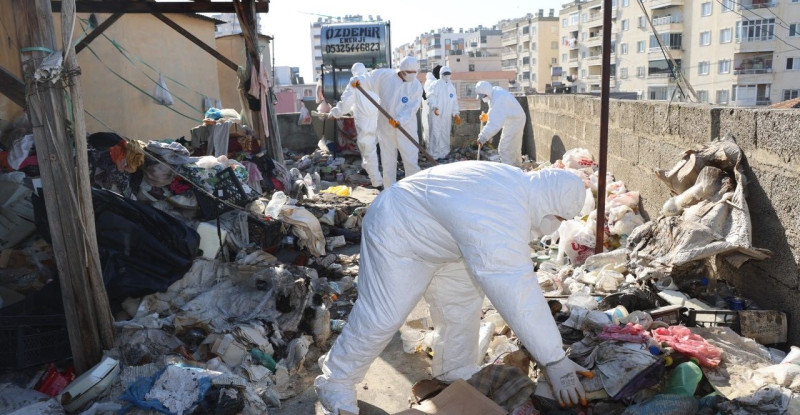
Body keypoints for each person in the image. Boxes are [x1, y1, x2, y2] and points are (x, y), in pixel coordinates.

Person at [315, 162, 589, 415]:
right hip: (398, 229)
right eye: (558, 218)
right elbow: (516, 288)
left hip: (446, 239)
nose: (557, 226)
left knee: (461, 307)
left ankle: (454, 370)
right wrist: (554, 359)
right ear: (547, 204)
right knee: (382, 315)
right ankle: (336, 380)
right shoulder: (502, 208)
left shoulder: (518, 188)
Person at [351, 56, 423, 188]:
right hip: (385, 127)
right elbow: (368, 79)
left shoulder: (416, 86)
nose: (412, 75)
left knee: (411, 161)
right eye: (409, 72)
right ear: (402, 70)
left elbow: (412, 107)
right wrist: (358, 80)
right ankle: (390, 191)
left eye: (415, 72)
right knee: (388, 162)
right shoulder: (384, 76)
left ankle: (412, 191)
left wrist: (400, 119)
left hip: (406, 128)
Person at [328, 62, 383, 189]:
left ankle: (377, 182)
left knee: (368, 149)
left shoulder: (355, 81)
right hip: (378, 119)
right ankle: (366, 169)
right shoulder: (372, 79)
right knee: (369, 147)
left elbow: (346, 102)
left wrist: (334, 113)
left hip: (365, 122)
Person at [475, 81, 526, 166]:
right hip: (514, 119)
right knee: (514, 146)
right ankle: (517, 167)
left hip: (514, 121)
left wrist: (483, 137)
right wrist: (487, 116)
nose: (482, 98)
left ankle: (509, 170)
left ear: (486, 93)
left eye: (482, 96)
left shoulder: (498, 98)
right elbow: (494, 111)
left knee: (504, 148)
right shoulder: (494, 93)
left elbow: (494, 123)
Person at [426, 66, 461, 160]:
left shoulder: (451, 87)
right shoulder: (435, 84)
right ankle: (434, 155)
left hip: (446, 115)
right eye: (445, 74)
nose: (447, 76)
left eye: (448, 74)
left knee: (445, 133)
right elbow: (430, 96)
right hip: (436, 114)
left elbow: (454, 102)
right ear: (441, 74)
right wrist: (434, 107)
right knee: (435, 133)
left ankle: (444, 153)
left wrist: (456, 113)